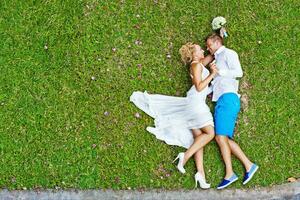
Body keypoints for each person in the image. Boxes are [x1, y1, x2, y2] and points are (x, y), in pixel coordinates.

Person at [130, 42, 217, 189]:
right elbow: (199, 86)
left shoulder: (199, 63)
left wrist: (217, 41)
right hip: (196, 104)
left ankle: (200, 174)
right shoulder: (196, 65)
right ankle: (185, 157)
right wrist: (213, 74)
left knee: (199, 139)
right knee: (210, 134)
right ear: (194, 53)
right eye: (199, 49)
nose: (202, 50)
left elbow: (211, 55)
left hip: (192, 103)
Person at [205, 33, 259, 189]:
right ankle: (249, 166)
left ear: (217, 42)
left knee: (220, 138)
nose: (208, 48)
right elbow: (218, 82)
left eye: (209, 45)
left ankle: (230, 174)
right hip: (221, 100)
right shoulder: (216, 60)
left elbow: (238, 72)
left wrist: (219, 72)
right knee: (222, 138)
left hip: (229, 99)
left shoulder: (229, 53)